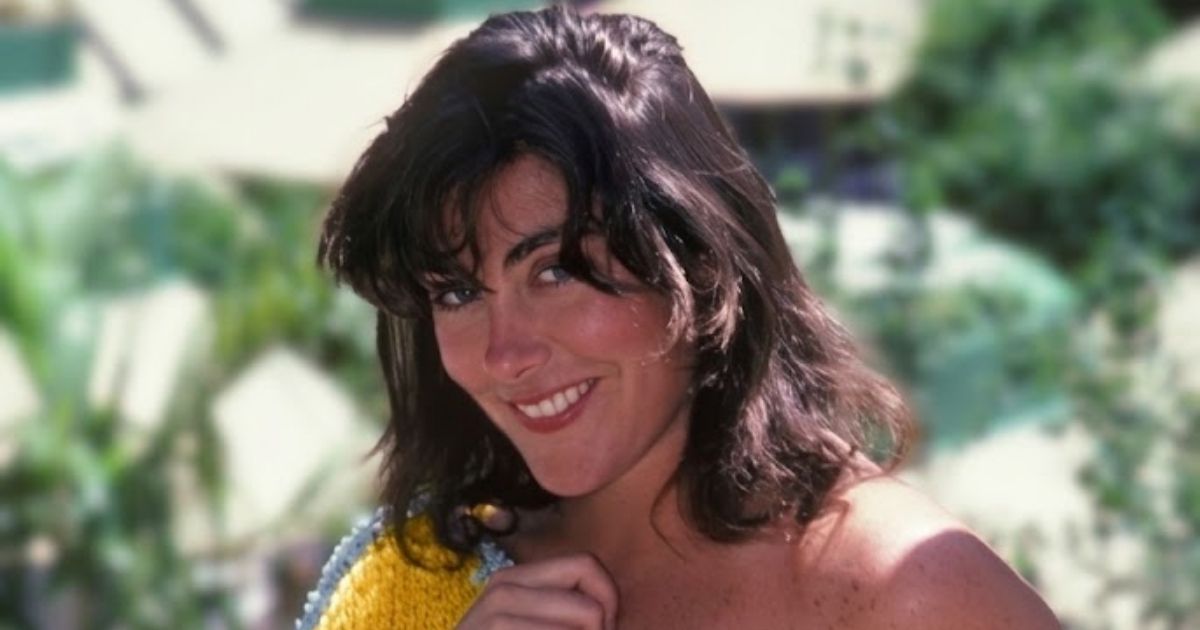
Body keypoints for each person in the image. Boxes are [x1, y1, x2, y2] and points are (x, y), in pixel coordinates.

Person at [299, 5, 1060, 629]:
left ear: (699, 263)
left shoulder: (904, 590)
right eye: (458, 293)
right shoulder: (407, 583)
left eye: (555, 271)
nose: (505, 355)